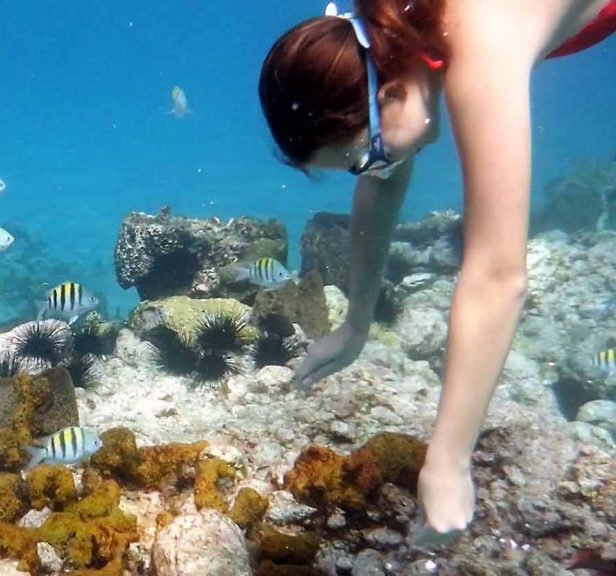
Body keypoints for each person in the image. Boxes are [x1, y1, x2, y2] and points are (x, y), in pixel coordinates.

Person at [257, 0, 616, 544]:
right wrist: (356, 324)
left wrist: (448, 461)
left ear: (390, 95)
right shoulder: (388, 36)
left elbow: (498, 276)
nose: (374, 169)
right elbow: (382, 180)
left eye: (363, 156)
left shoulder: (480, 45)